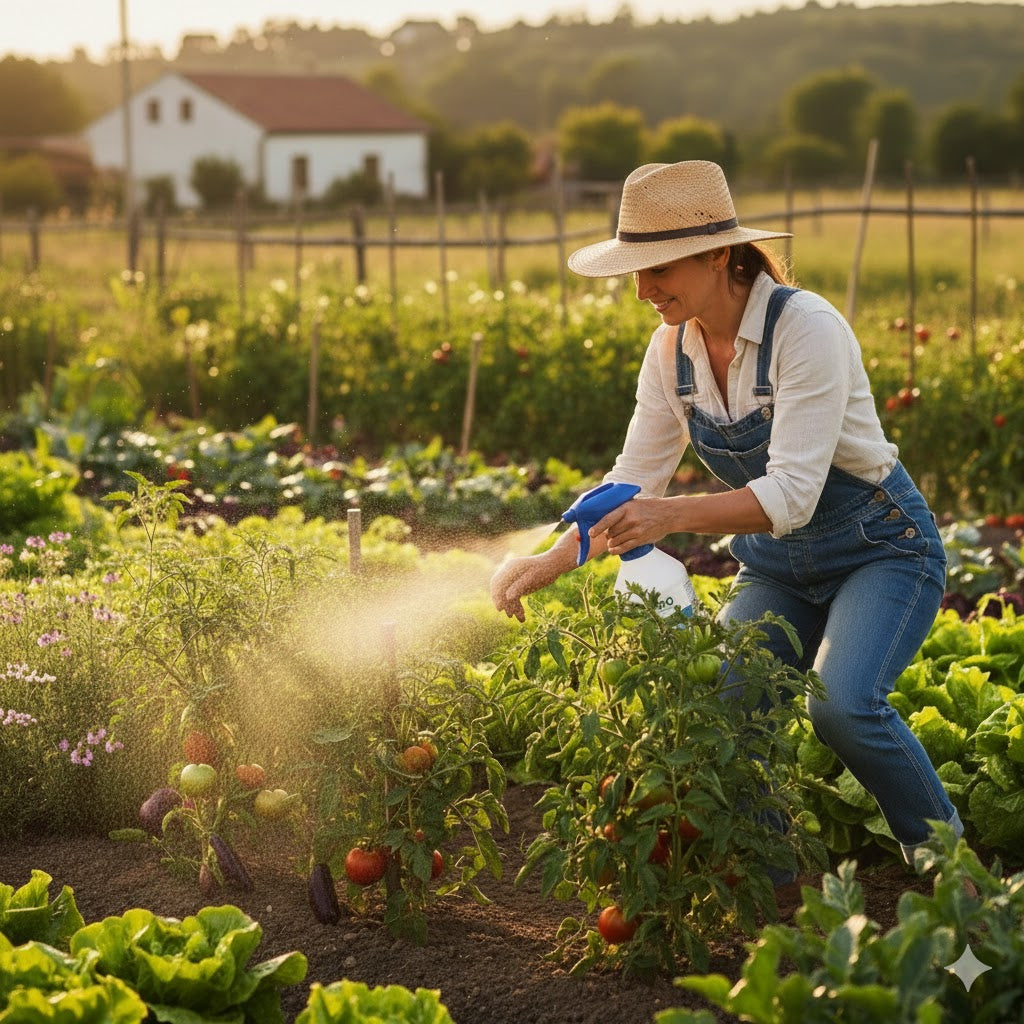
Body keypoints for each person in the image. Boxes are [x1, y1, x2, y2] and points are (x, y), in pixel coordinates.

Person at [490, 159, 962, 868]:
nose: (643, 291)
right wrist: (552, 558)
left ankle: (951, 869)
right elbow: (633, 478)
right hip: (775, 565)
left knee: (843, 706)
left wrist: (667, 516)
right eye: (636, 273)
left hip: (878, 547)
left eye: (659, 270)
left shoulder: (806, 329)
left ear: (718, 255)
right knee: (724, 711)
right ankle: (773, 885)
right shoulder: (670, 351)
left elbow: (793, 494)